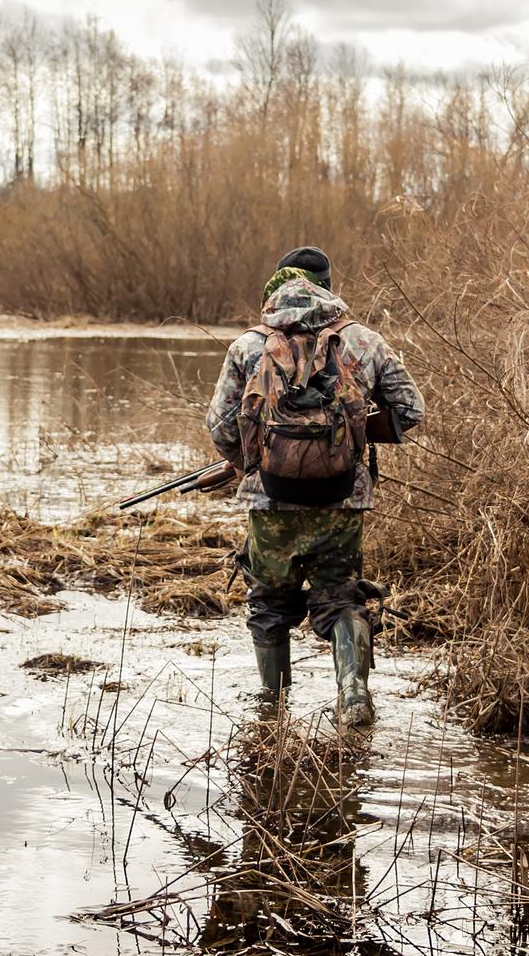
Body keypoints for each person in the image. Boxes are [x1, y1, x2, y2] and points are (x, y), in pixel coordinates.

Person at [206, 245, 425, 726]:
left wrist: (245, 461)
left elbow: (220, 425)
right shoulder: (364, 341)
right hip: (343, 496)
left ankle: (270, 707)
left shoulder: (248, 346)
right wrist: (359, 427)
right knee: (341, 596)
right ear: (327, 286)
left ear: (276, 286)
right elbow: (411, 410)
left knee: (269, 601)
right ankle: (352, 694)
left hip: (270, 500)